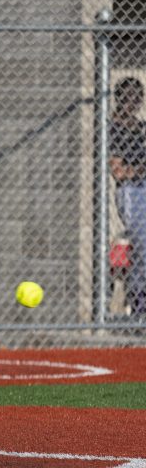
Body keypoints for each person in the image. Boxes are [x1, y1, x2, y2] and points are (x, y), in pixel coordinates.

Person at [109, 76, 146, 318]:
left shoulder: (141, 127)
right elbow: (119, 171)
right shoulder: (114, 127)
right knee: (142, 243)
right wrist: (140, 169)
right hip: (131, 191)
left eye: (137, 97)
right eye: (128, 97)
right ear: (119, 99)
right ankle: (139, 307)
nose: (132, 102)